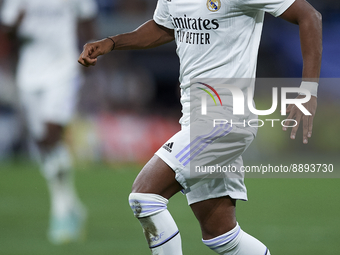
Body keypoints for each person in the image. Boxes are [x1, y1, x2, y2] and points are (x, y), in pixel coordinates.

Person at [78, 0, 322, 254]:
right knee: (223, 236)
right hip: (196, 118)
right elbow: (163, 27)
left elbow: (309, 15)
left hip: (224, 118)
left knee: (145, 197)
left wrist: (308, 90)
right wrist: (113, 43)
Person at [0, 0, 98, 245]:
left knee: (52, 134)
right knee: (43, 142)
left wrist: (91, 56)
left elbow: (87, 19)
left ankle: (60, 212)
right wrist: (17, 24)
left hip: (63, 70)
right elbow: (6, 30)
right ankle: (71, 204)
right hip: (29, 72)